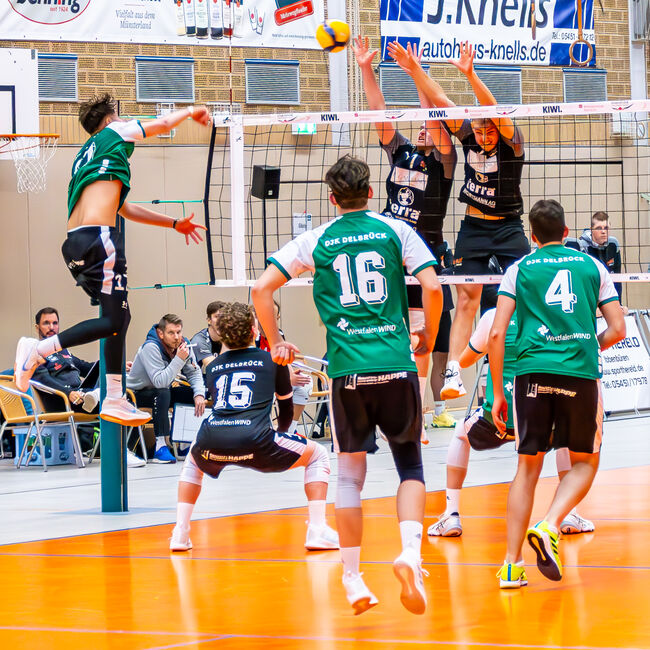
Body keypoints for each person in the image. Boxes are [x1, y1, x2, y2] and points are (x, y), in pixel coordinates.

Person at [252, 155, 443, 615]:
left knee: (350, 478)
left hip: (347, 373)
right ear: (371, 192)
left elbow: (261, 290)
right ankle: (410, 554)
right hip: (396, 364)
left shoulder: (316, 239)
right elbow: (434, 288)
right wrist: (427, 337)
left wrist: (276, 343)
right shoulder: (396, 230)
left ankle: (353, 579)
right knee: (410, 467)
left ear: (332, 198)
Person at [14, 94, 211, 427]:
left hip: (77, 243)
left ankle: (114, 398)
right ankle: (39, 350)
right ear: (109, 119)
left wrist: (175, 223)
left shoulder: (87, 157)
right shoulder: (113, 133)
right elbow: (162, 124)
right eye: (121, 116)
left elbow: (123, 208)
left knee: (118, 317)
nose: (126, 121)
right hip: (99, 239)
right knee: (113, 320)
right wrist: (191, 111)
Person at [488, 199, 625, 588]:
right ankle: (549, 524)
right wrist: (589, 345)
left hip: (530, 374)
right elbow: (618, 329)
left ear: (532, 236)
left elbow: (496, 333)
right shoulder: (593, 266)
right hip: (579, 373)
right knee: (585, 463)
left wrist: (498, 393)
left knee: (526, 468)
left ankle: (511, 566)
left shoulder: (518, 269)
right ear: (566, 232)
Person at [387, 41, 530, 400]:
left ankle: (531, 355)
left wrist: (470, 74)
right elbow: (440, 101)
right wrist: (414, 70)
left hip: (509, 226)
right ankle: (453, 371)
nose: (483, 138)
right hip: (474, 227)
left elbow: (493, 110)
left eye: (489, 132)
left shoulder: (512, 143)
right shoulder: (468, 135)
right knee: (467, 298)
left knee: (525, 291)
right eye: (479, 132)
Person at [169, 302, 339, 553]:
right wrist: (281, 435)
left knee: (193, 462)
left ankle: (180, 533)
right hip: (256, 441)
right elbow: (286, 408)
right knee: (319, 455)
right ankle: (317, 529)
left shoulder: (213, 367)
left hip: (212, 438)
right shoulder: (271, 360)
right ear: (254, 330)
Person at [354, 35, 456, 430]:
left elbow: (434, 120)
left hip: (426, 256)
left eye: (433, 127)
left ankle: (430, 407)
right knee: (392, 333)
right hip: (392, 254)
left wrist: (416, 73)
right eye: (423, 127)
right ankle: (393, 405)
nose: (426, 130)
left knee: (429, 338)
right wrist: (366, 69)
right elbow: (379, 114)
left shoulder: (444, 163)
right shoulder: (401, 152)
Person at [428, 307, 594, 539]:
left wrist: (474, 354)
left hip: (500, 419)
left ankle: (451, 515)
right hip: (542, 417)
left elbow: (465, 360)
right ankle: (569, 513)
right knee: (563, 437)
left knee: (459, 433)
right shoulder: (552, 315)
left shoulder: (492, 317)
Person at [127, 314, 206, 463]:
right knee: (163, 392)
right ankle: (160, 446)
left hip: (160, 392)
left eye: (179, 332)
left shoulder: (184, 344)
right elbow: (160, 382)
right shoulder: (150, 347)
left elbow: (194, 373)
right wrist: (179, 359)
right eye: (171, 333)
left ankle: (184, 444)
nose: (176, 337)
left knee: (191, 393)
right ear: (161, 333)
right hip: (135, 394)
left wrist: (199, 394)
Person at [31, 307, 98, 414]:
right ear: (37, 327)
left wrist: (114, 365)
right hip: (62, 400)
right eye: (46, 323)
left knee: (106, 372)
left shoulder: (62, 351)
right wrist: (68, 393)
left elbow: (86, 367)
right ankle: (98, 395)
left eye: (55, 323)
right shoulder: (35, 352)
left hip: (79, 394)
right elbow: (43, 380)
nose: (51, 327)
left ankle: (98, 394)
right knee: (110, 400)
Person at [565, 211, 624, 302]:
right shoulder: (581, 246)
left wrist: (618, 304)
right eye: (599, 228)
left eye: (606, 228)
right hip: (589, 300)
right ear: (591, 230)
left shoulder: (613, 244)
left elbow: (617, 278)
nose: (603, 231)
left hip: (608, 297)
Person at [190, 300, 226, 372]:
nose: (221, 321)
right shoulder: (199, 341)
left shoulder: (230, 337)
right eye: (217, 317)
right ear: (209, 320)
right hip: (196, 378)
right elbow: (215, 367)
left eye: (224, 317)